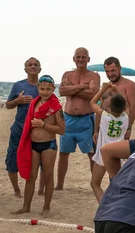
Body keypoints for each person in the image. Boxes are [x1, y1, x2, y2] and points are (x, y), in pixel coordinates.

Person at [12, 75, 64, 217]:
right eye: (42, 89)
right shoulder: (34, 104)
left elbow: (62, 130)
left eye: (48, 89)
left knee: (48, 176)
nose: (45, 92)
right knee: (31, 176)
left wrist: (44, 125)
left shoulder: (57, 107)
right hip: (33, 144)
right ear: (38, 88)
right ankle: (26, 207)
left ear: (54, 89)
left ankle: (46, 207)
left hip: (49, 145)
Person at [55, 47, 100, 190]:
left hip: (87, 120)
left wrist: (72, 88)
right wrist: (82, 86)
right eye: (78, 57)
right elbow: (62, 91)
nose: (81, 59)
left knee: (91, 154)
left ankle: (95, 184)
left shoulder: (94, 76)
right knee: (63, 153)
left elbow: (93, 94)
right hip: (68, 119)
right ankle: (60, 184)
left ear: (88, 59)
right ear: (74, 59)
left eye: (83, 57)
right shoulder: (67, 74)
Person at [5, 57, 40, 197]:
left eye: (35, 65)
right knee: (12, 160)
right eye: (30, 65)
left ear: (40, 69)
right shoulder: (18, 85)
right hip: (18, 129)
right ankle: (16, 189)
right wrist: (18, 100)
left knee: (40, 162)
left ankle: (40, 189)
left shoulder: (43, 85)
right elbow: (8, 105)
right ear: (25, 69)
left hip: (37, 131)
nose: (33, 66)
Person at [90, 82, 128, 202]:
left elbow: (92, 103)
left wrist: (103, 89)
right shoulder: (125, 117)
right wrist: (117, 90)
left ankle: (103, 207)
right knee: (115, 185)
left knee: (95, 184)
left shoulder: (104, 116)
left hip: (103, 156)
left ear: (109, 107)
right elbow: (126, 106)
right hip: (117, 156)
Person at [101, 57, 135, 140]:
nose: (110, 74)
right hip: (104, 126)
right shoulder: (106, 87)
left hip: (120, 127)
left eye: (113, 70)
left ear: (119, 68)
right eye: (107, 71)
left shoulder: (129, 85)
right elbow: (100, 107)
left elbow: (133, 107)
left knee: (118, 152)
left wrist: (128, 128)